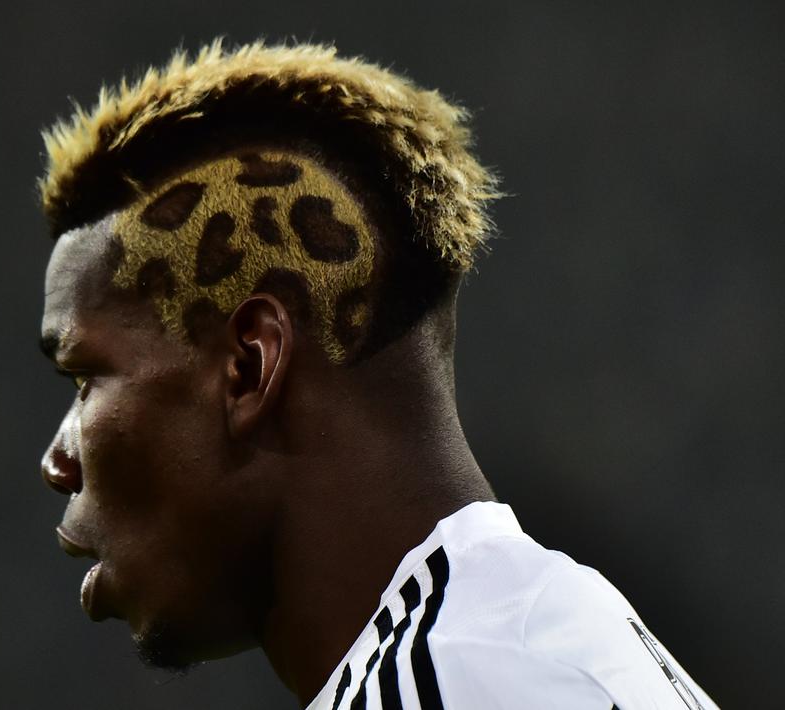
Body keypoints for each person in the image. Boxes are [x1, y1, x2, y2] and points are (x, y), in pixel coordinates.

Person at [35, 39, 717, 709]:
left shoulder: (468, 677)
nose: (57, 462)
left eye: (86, 379)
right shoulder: (514, 642)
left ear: (248, 367)